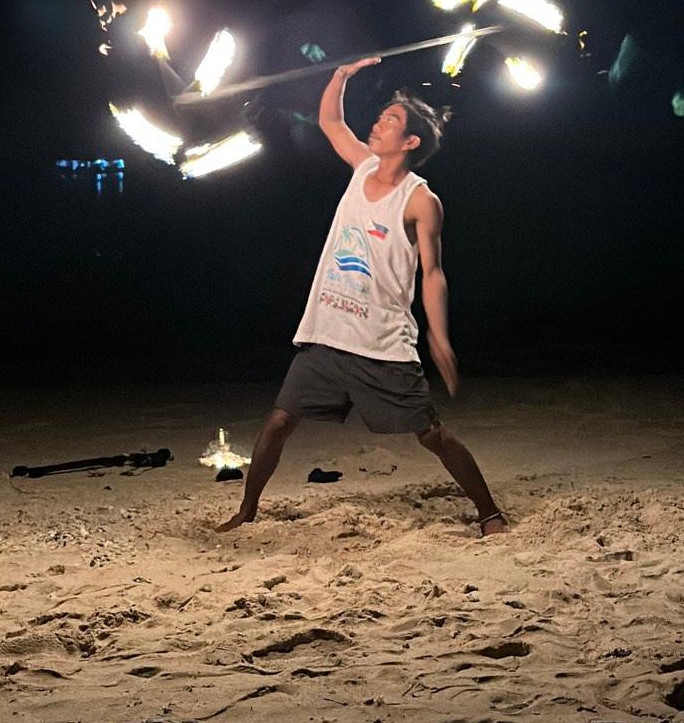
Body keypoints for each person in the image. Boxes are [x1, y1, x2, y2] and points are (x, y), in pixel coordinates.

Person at [217, 58, 507, 537]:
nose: (377, 124)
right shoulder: (362, 166)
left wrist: (439, 337)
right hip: (329, 332)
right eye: (381, 117)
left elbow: (433, 273)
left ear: (410, 142)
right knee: (279, 420)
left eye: (390, 121)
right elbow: (332, 122)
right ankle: (247, 510)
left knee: (431, 434)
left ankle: (489, 513)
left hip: (382, 342)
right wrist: (340, 78)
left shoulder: (420, 200)